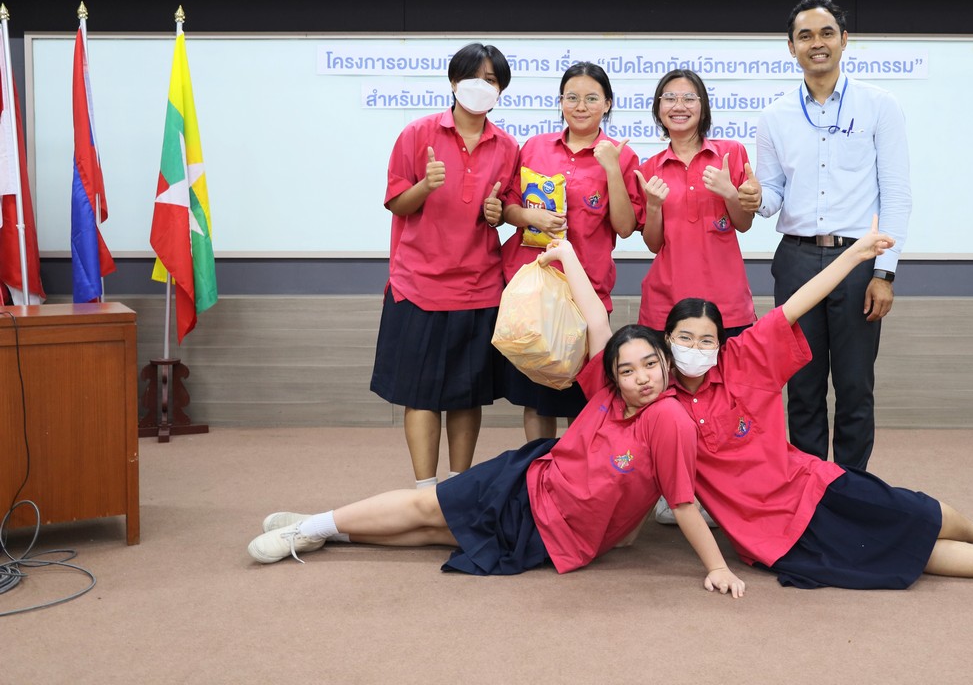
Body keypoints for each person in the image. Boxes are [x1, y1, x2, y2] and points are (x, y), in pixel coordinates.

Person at [251, 240, 746, 598]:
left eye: (651, 365)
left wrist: (717, 568)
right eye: (628, 369)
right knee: (429, 509)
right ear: (613, 374)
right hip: (528, 482)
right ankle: (312, 527)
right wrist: (566, 254)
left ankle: (322, 530)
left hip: (555, 529)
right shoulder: (607, 391)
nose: (642, 378)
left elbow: (682, 502)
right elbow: (596, 318)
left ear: (666, 364)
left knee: (441, 531)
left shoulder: (669, 418)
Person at [662, 220, 973, 592]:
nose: (695, 349)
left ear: (721, 344)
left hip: (811, 485)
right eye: (685, 338)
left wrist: (855, 256)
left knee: (918, 512)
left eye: (706, 340)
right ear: (667, 341)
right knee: (902, 552)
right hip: (771, 535)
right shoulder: (663, 408)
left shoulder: (744, 359)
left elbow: (798, 303)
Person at [755, 0, 913, 470]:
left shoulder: (880, 106)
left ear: (844, 40)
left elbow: (896, 195)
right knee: (802, 387)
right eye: (805, 36)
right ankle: (808, 491)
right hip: (797, 261)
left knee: (854, 386)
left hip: (858, 263)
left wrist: (885, 273)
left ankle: (851, 489)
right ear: (791, 47)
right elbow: (772, 196)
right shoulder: (774, 115)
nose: (816, 43)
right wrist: (750, 197)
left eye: (826, 33)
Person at [369, 43, 519, 489]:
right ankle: (424, 491)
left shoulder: (507, 146)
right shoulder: (417, 134)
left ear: (501, 90)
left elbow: (504, 210)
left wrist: (497, 214)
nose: (481, 86)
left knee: (466, 395)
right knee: (420, 395)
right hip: (418, 286)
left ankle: (457, 487)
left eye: (491, 80)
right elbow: (396, 202)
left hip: (479, 288)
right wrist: (426, 186)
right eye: (473, 77)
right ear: (453, 82)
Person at [635, 68, 762, 526]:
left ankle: (725, 492)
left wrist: (729, 192)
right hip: (666, 303)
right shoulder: (649, 166)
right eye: (669, 97)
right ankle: (674, 490)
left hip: (726, 302)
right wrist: (652, 205)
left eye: (689, 97)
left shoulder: (730, 153)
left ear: (703, 106)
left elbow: (744, 223)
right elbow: (652, 242)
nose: (679, 105)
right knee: (670, 403)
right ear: (658, 109)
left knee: (726, 403)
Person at [500, 62, 644, 441]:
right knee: (536, 400)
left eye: (592, 98)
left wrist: (611, 168)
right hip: (536, 291)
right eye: (572, 97)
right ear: (561, 101)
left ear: (607, 104)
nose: (581, 106)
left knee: (584, 399)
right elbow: (508, 208)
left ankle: (574, 472)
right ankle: (538, 469)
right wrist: (529, 215)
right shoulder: (535, 147)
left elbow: (625, 226)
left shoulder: (622, 156)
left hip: (586, 295)